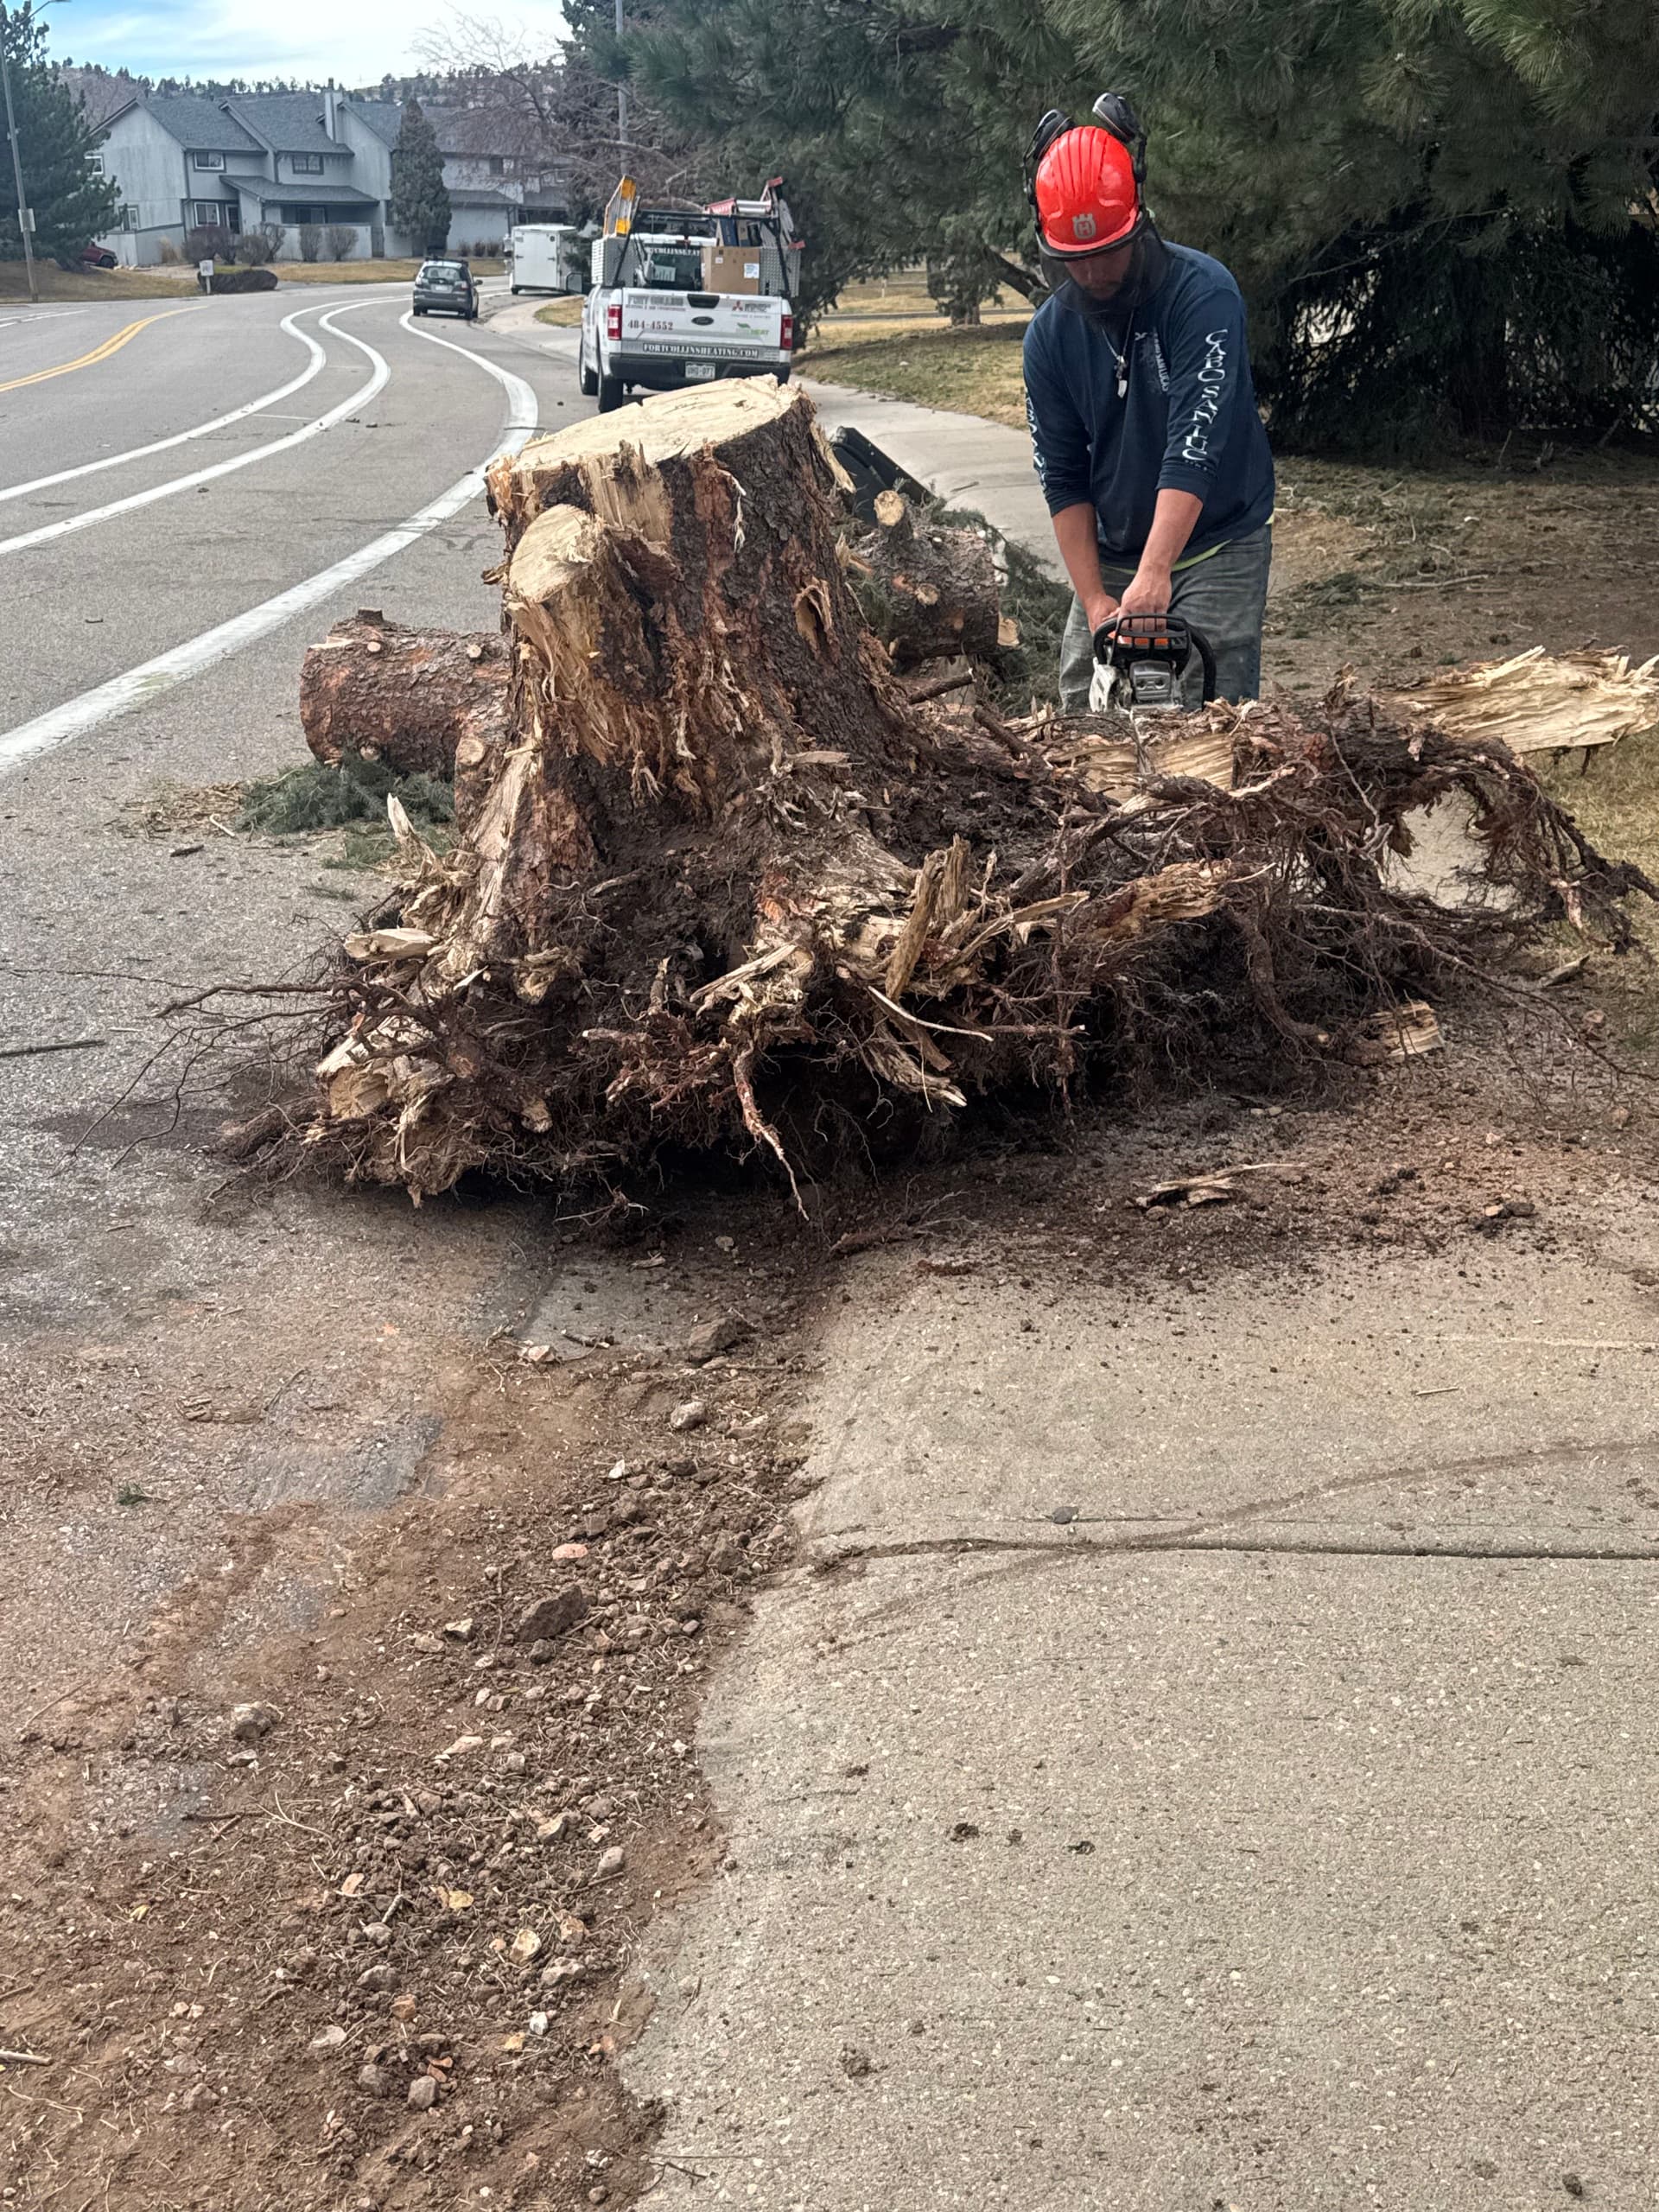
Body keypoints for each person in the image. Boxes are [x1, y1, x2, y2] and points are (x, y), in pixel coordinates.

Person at [1021, 95, 1274, 710]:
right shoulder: (1049, 338)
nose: (1093, 273)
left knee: (1214, 714)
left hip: (1218, 539)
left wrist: (1158, 569)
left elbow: (1195, 444)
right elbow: (1063, 477)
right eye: (1075, 261)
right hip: (1113, 547)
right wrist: (1095, 600)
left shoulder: (1204, 298)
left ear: (1138, 219)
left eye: (1108, 250)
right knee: (1082, 705)